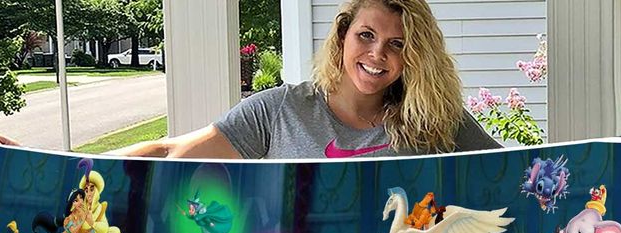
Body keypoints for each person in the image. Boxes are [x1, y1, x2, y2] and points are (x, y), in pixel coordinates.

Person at [112, 1, 499, 161]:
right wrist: (86, 171)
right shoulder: (280, 110)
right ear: (343, 35)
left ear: (414, 56)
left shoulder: (435, 119)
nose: (377, 53)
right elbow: (172, 153)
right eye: (366, 35)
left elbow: (514, 174)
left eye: (396, 44)